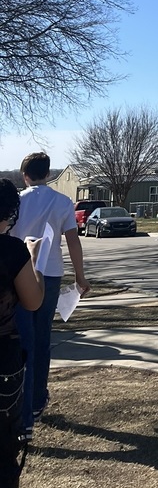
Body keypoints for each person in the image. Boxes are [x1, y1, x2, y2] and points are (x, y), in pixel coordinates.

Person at [11, 153, 90, 441]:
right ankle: (37, 399)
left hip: (17, 272)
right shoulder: (62, 202)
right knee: (42, 339)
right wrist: (80, 277)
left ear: (25, 175)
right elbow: (72, 240)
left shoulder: (18, 200)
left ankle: (25, 404)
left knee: (24, 341)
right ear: (47, 173)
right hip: (51, 273)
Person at [0, 178, 43, 488]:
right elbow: (33, 301)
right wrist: (34, 258)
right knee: (2, 447)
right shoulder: (12, 250)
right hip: (3, 360)